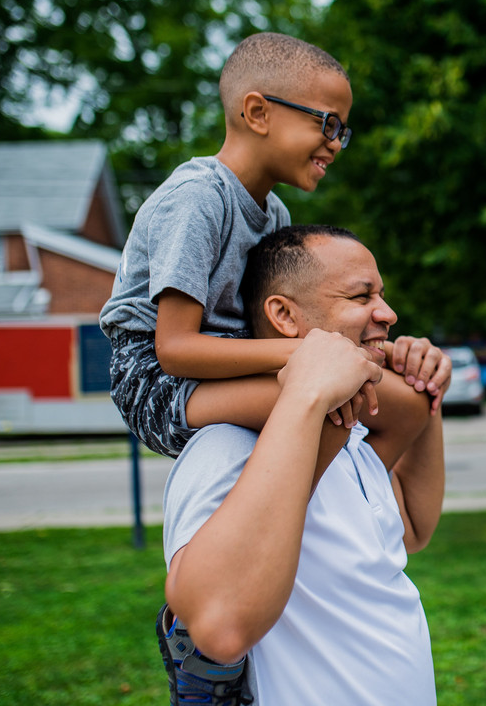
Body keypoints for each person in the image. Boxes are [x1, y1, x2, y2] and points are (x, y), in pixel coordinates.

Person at [99, 32, 449, 460]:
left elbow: (282, 325)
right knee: (333, 398)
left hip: (238, 360)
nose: (336, 143)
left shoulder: (275, 215)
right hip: (158, 384)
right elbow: (174, 349)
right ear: (258, 113)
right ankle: (273, 524)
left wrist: (391, 353)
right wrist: (320, 354)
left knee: (406, 404)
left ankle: (357, 519)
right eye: (327, 123)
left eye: (343, 130)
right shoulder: (198, 198)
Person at [160, 224, 445, 704]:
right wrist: (308, 392)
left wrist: (425, 386)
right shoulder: (227, 447)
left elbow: (413, 529)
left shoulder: (348, 436)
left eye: (383, 295)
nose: (388, 313)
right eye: (361, 296)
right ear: (284, 316)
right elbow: (220, 628)